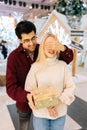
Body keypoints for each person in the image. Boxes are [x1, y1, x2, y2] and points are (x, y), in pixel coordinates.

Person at [6, 20, 73, 130]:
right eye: (26, 40)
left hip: (47, 102)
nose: (31, 43)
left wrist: (61, 47)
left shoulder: (43, 49)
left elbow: (68, 58)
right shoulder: (13, 58)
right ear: (20, 40)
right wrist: (28, 96)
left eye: (33, 38)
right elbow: (10, 87)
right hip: (25, 104)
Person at [25, 33, 75, 130]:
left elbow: (70, 87)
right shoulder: (35, 67)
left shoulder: (63, 66)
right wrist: (48, 105)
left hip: (59, 113)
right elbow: (30, 90)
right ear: (42, 46)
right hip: (41, 114)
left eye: (54, 44)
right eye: (48, 44)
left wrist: (58, 100)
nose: (51, 48)